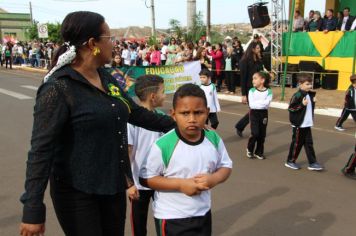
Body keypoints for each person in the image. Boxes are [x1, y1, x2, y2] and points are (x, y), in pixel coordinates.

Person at [19, 11, 175, 236]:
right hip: (77, 192)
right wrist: (32, 208)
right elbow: (41, 151)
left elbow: (136, 113)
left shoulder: (106, 77)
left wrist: (177, 124)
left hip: (112, 186)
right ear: (92, 43)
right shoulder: (58, 87)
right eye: (109, 39)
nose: (114, 44)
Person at [140, 83, 232, 236]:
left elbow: (226, 165)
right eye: (185, 113)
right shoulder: (163, 145)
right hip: (171, 218)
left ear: (207, 112)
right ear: (173, 114)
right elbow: (146, 178)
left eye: (198, 112)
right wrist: (180, 184)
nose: (192, 119)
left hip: (203, 213)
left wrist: (214, 178)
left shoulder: (213, 138)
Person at [128, 75, 166, 236]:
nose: (165, 95)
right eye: (163, 92)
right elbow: (127, 153)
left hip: (160, 181)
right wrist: (129, 183)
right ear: (153, 96)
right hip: (139, 184)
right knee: (139, 223)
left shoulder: (161, 117)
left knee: (164, 218)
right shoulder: (131, 121)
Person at [285, 73, 323, 171]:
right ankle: (290, 161)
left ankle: (312, 162)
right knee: (297, 144)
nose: (310, 86)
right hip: (299, 124)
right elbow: (291, 108)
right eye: (307, 84)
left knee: (309, 143)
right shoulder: (297, 95)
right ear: (300, 84)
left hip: (307, 124)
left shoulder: (309, 95)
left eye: (310, 84)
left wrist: (313, 102)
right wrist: (301, 104)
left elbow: (309, 110)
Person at [235, 42, 264, 137]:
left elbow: (261, 72)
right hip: (249, 89)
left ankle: (240, 126)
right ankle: (248, 129)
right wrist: (243, 94)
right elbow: (243, 78)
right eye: (258, 48)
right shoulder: (244, 61)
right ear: (252, 49)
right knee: (254, 110)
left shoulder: (258, 60)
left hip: (258, 88)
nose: (259, 49)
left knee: (256, 110)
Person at [246, 72, 272, 160]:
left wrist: (259, 103)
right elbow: (252, 105)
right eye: (253, 78)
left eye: (255, 78)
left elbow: (267, 104)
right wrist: (262, 103)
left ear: (262, 80)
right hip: (254, 113)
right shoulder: (251, 91)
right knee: (255, 133)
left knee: (262, 134)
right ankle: (250, 149)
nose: (253, 80)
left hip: (264, 114)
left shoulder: (269, 91)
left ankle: (259, 152)